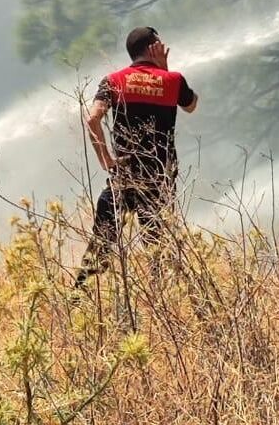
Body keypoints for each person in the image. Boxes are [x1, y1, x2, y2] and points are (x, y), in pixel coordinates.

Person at [74, 27, 198, 287]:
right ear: (154, 47)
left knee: (101, 246)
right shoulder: (173, 80)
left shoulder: (113, 80)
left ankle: (79, 297)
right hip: (158, 180)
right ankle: (159, 303)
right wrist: (163, 71)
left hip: (124, 177)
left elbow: (93, 118)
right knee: (157, 250)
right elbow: (191, 105)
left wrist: (106, 158)